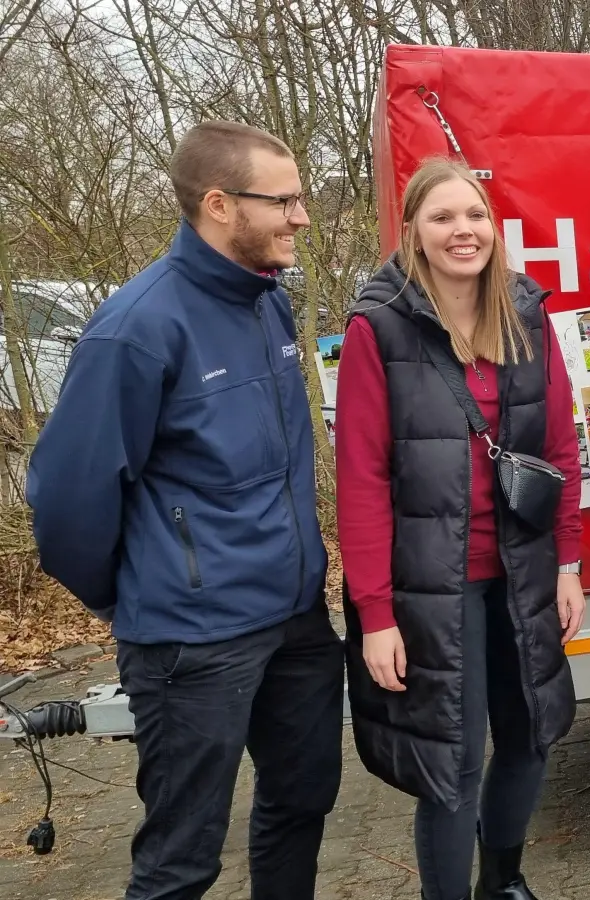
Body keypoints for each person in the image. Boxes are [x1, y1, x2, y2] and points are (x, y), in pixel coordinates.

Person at [26, 121, 342, 900]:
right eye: (284, 200)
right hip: (193, 640)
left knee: (302, 803)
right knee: (182, 857)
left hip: (296, 616)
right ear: (219, 205)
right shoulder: (137, 329)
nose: (302, 216)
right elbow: (66, 503)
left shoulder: (267, 303)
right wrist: (139, 592)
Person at [336, 158, 585, 900]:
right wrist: (375, 615)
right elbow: (360, 481)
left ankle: (502, 880)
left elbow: (560, 448)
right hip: (429, 585)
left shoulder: (526, 315)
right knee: (452, 763)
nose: (463, 230)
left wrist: (569, 563)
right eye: (442, 217)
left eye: (475, 215)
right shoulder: (377, 328)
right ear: (412, 230)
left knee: (533, 736)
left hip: (523, 570)